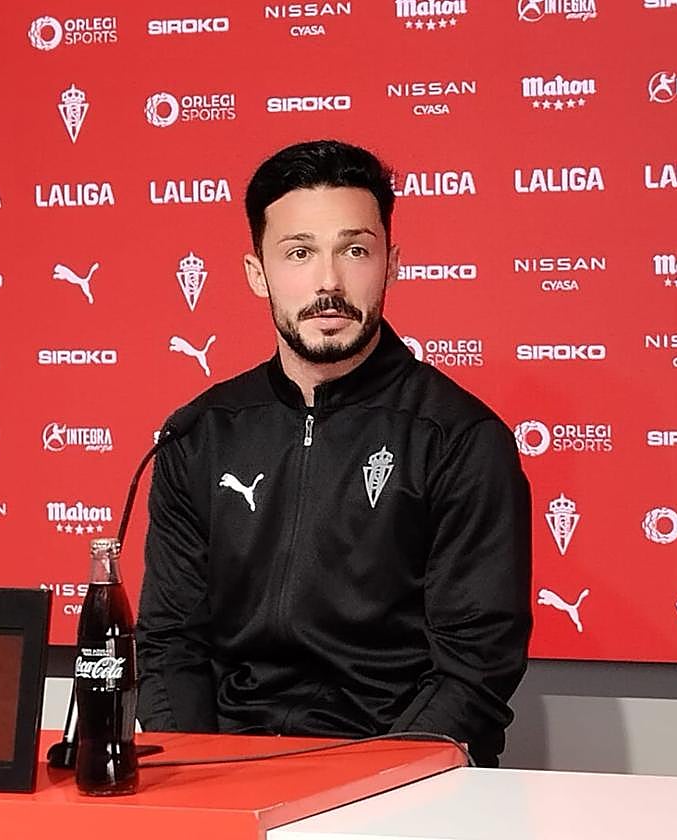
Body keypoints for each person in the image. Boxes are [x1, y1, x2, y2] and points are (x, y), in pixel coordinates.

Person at [136, 139, 532, 767]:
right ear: (256, 272)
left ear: (391, 263)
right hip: (227, 769)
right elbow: (169, 644)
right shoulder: (200, 434)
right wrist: (194, 772)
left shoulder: (459, 437)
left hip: (398, 780)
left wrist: (366, 783)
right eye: (299, 253)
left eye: (355, 250)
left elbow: (474, 670)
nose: (329, 282)